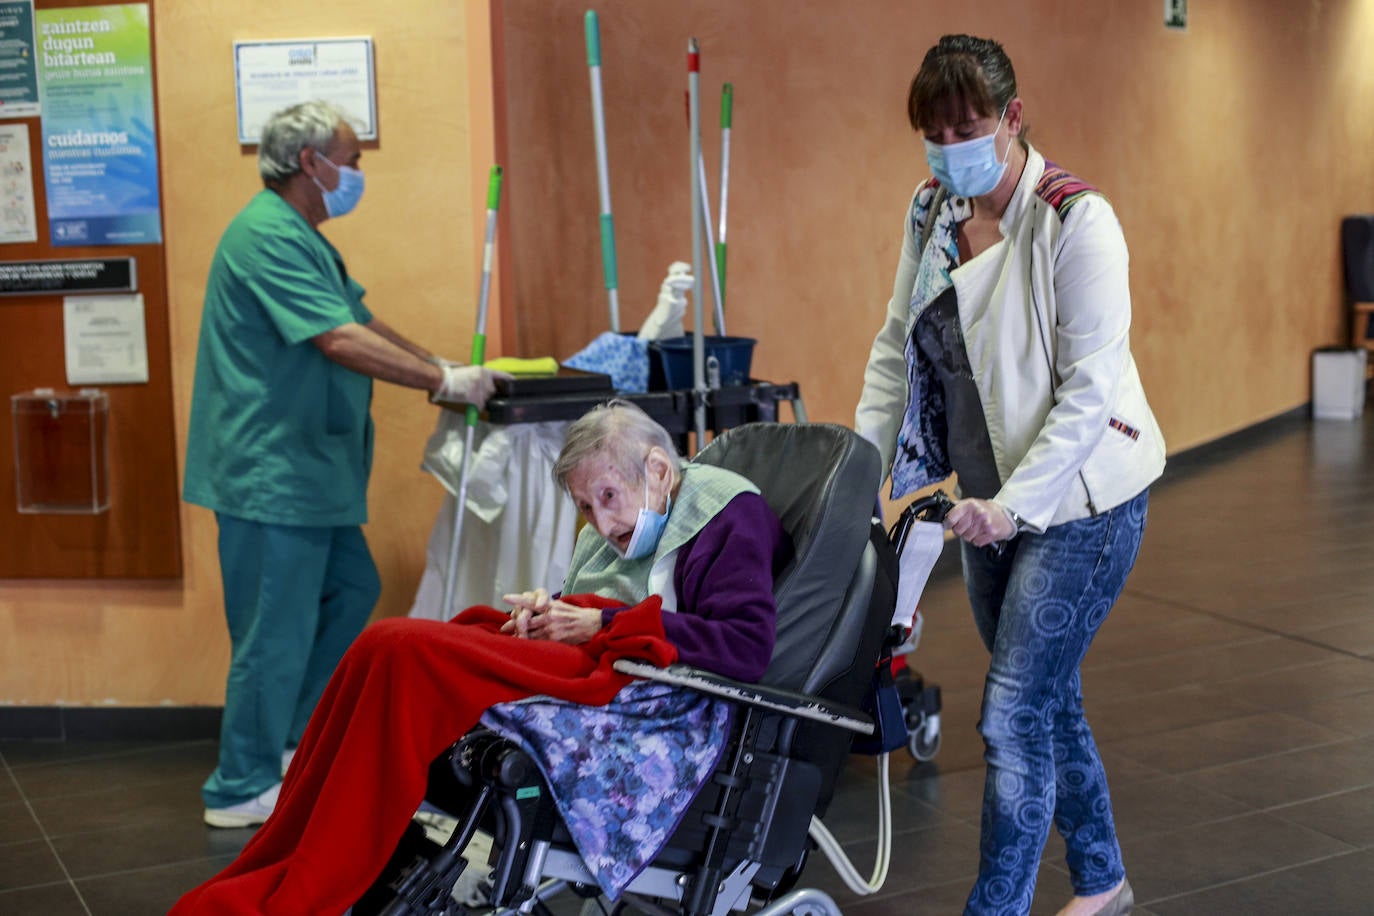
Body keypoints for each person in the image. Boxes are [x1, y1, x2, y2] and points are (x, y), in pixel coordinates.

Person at [169, 400, 790, 915]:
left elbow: (744, 644)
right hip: (605, 659)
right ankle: (297, 848)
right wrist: (548, 620)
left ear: (658, 469)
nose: (600, 523)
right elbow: (599, 606)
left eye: (607, 495)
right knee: (381, 643)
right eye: (583, 506)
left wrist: (599, 621)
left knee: (403, 650)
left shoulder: (731, 514)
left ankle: (321, 876)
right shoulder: (634, 520)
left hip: (647, 691)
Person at [854, 35, 1165, 916]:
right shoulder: (930, 213)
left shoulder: (1075, 221)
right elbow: (894, 350)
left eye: (968, 125)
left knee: (1012, 710)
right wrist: (859, 470)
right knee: (1045, 698)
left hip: (1082, 501)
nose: (950, 145)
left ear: (1012, 117)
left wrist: (1011, 508)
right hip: (984, 498)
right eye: (935, 130)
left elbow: (1087, 393)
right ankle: (1102, 882)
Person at [183, 99, 509, 830]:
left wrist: (441, 364)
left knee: (351, 588)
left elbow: (359, 318)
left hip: (309, 472)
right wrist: (438, 384)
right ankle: (239, 784)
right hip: (270, 473)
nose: (358, 173)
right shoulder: (265, 235)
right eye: (352, 159)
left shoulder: (303, 237)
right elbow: (336, 340)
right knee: (274, 630)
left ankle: (295, 739)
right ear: (312, 163)